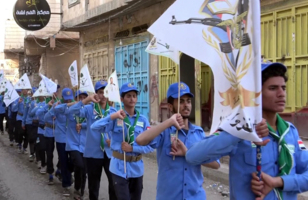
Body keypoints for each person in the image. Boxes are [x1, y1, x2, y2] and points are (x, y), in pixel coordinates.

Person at [185, 61, 308, 200]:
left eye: (283, 88)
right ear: (256, 94)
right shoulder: (239, 130)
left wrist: (279, 182)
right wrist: (242, 131)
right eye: (273, 88)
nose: (281, 94)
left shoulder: (290, 132)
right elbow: (193, 156)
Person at [136, 82, 220, 200]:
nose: (186, 105)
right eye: (181, 101)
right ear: (170, 107)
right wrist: (169, 122)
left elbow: (216, 164)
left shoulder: (198, 133)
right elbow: (140, 140)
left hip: (195, 197)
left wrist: (188, 153)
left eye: (188, 101)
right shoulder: (164, 132)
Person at [90, 82, 155, 200]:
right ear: (121, 99)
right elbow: (94, 127)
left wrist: (133, 148)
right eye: (128, 96)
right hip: (119, 168)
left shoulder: (143, 120)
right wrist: (113, 116)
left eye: (134, 96)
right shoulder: (116, 117)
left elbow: (151, 146)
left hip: (137, 168)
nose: (132, 99)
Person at [68, 81, 117, 200]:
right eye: (100, 92)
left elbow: (118, 131)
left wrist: (114, 141)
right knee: (93, 186)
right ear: (96, 94)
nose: (103, 96)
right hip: (93, 154)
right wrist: (87, 100)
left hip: (109, 153)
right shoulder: (89, 109)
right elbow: (72, 111)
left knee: (114, 184)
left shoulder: (113, 112)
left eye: (105, 92)